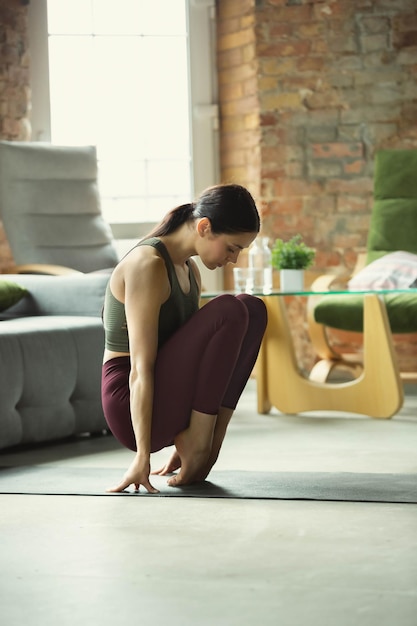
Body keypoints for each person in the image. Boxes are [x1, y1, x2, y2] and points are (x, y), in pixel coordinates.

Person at [101, 183, 268, 493]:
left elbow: (200, 361)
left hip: (165, 396)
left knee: (252, 308)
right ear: (204, 227)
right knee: (230, 309)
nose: (233, 259)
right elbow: (139, 369)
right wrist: (142, 457)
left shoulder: (189, 269)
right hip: (130, 406)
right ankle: (199, 441)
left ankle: (208, 444)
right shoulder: (147, 265)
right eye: (232, 247)